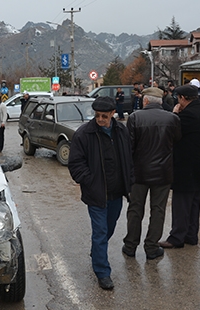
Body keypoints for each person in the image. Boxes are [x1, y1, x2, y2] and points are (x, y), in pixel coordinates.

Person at [68, 96, 134, 290]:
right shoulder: (84, 134)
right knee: (100, 231)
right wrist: (89, 180)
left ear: (113, 114)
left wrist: (130, 179)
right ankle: (102, 272)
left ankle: (97, 251)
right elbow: (75, 164)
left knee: (109, 228)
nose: (100, 119)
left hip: (117, 192)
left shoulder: (121, 131)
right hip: (96, 194)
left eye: (104, 116)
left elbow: (129, 158)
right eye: (97, 116)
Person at [122, 87, 181, 260]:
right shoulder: (173, 118)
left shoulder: (134, 117)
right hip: (163, 173)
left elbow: (129, 147)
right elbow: (176, 140)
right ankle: (151, 246)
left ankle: (130, 245)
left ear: (145, 101)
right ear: (160, 102)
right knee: (158, 210)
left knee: (135, 210)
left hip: (139, 173)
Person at [159, 84, 200, 249]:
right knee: (194, 204)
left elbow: (172, 132)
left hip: (185, 166)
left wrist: (174, 115)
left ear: (182, 98)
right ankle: (191, 235)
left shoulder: (187, 115)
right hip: (198, 165)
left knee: (181, 204)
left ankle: (176, 238)